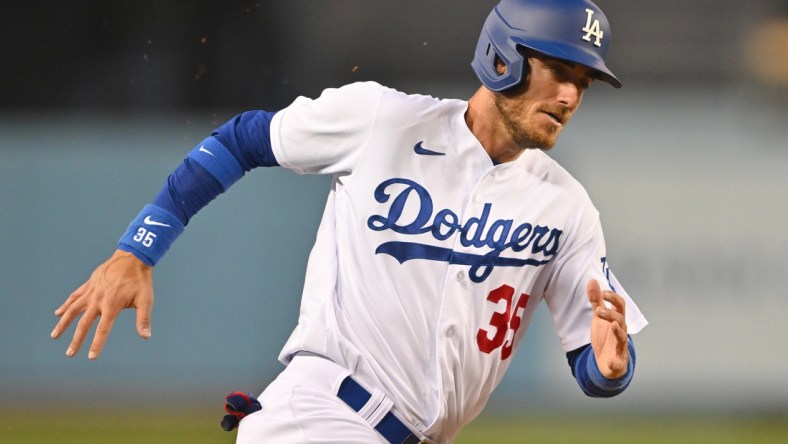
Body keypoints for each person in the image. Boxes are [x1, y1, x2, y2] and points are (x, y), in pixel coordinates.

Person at [51, 0, 648, 442]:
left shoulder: (565, 206)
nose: (571, 95)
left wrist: (611, 364)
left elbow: (593, 368)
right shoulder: (383, 120)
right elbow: (242, 139)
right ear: (503, 58)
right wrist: (138, 250)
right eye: (559, 70)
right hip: (324, 417)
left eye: (584, 80)